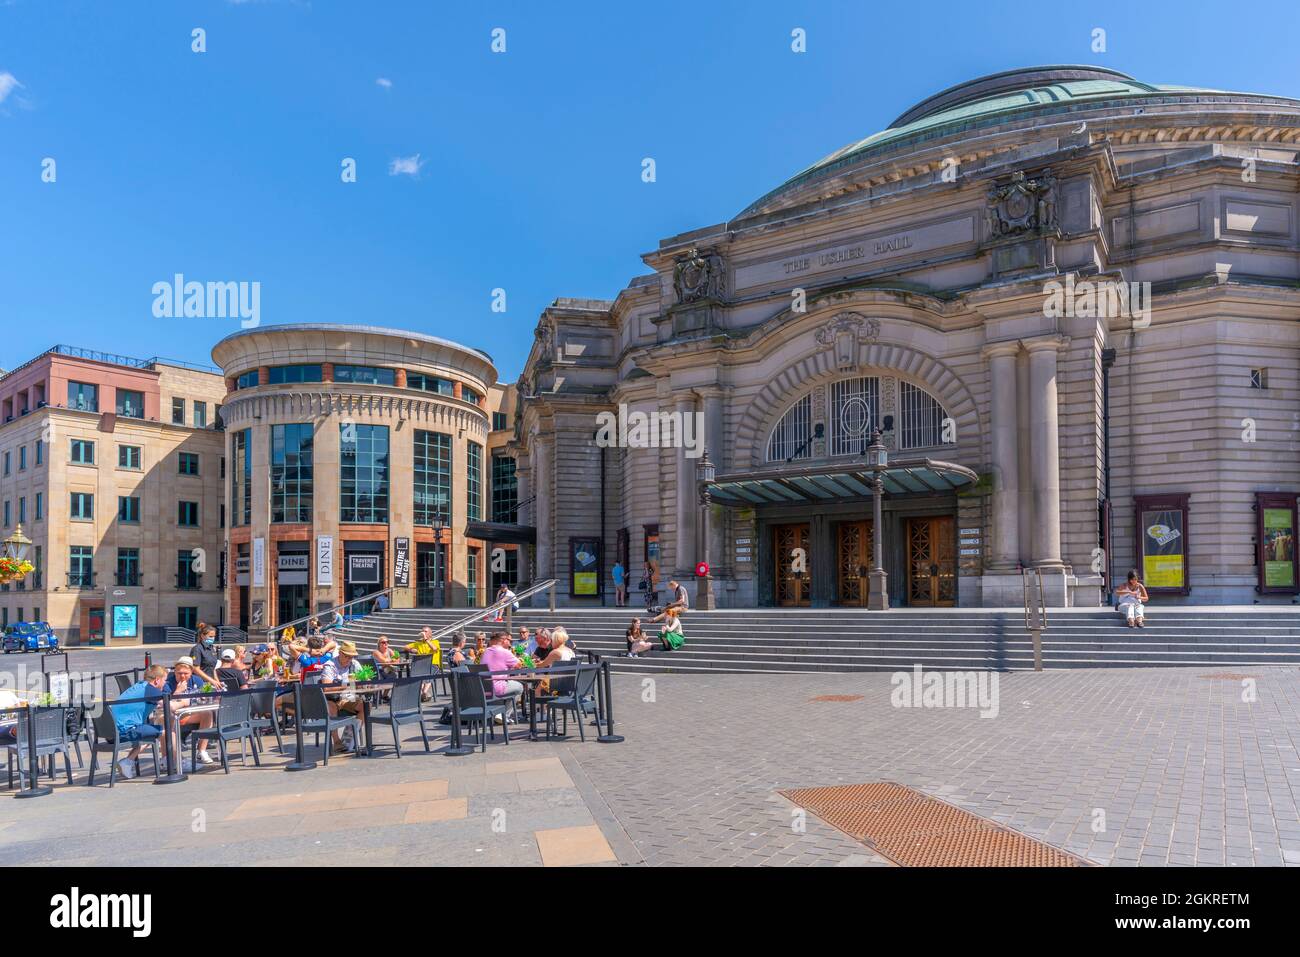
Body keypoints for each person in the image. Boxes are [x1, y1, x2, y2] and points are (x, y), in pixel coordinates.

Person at [112, 665, 169, 779]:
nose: (165, 683)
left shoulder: (139, 686)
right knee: (163, 732)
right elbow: (168, 704)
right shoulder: (151, 690)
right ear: (157, 680)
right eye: (164, 680)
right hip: (126, 730)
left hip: (112, 731)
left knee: (151, 731)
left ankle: (128, 762)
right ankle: (168, 761)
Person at [164, 659, 218, 766]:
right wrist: (177, 692)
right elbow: (165, 705)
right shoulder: (169, 683)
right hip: (174, 716)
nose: (183, 676)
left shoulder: (196, 680)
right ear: (174, 672)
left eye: (186, 673)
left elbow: (205, 696)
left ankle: (201, 751)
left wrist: (204, 697)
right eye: (179, 673)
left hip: (192, 712)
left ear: (191, 672)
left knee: (208, 713)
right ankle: (172, 758)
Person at [321, 640, 366, 752]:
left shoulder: (354, 664)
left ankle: (350, 738)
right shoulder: (330, 665)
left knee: (365, 706)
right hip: (332, 699)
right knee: (331, 707)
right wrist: (345, 685)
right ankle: (336, 742)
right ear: (340, 653)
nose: (349, 659)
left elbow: (363, 680)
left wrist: (364, 682)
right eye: (347, 656)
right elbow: (326, 687)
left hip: (348, 697)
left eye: (352, 657)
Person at [479, 632, 523, 711]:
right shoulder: (505, 652)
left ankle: (497, 713)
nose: (509, 643)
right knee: (519, 687)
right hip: (498, 687)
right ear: (503, 640)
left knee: (508, 684)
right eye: (508, 640)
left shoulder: (486, 651)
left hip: (483, 688)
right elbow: (519, 665)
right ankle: (505, 715)